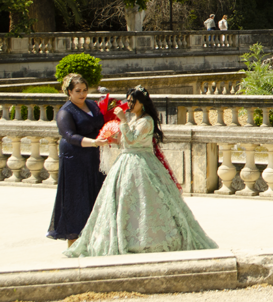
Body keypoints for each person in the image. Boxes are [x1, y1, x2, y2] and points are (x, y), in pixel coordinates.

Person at [65, 86, 218, 257]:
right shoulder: (134, 119)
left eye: (133, 102)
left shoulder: (146, 121)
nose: (129, 104)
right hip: (125, 162)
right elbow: (126, 141)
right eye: (128, 101)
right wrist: (113, 140)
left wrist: (123, 120)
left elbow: (132, 139)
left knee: (146, 201)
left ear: (142, 103)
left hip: (142, 163)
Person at [47, 74, 107, 246]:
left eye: (85, 90)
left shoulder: (92, 105)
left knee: (96, 193)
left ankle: (96, 238)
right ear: (69, 92)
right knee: (76, 197)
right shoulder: (65, 112)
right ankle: (73, 241)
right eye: (78, 91)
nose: (82, 94)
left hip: (94, 156)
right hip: (75, 158)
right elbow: (70, 136)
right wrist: (93, 142)